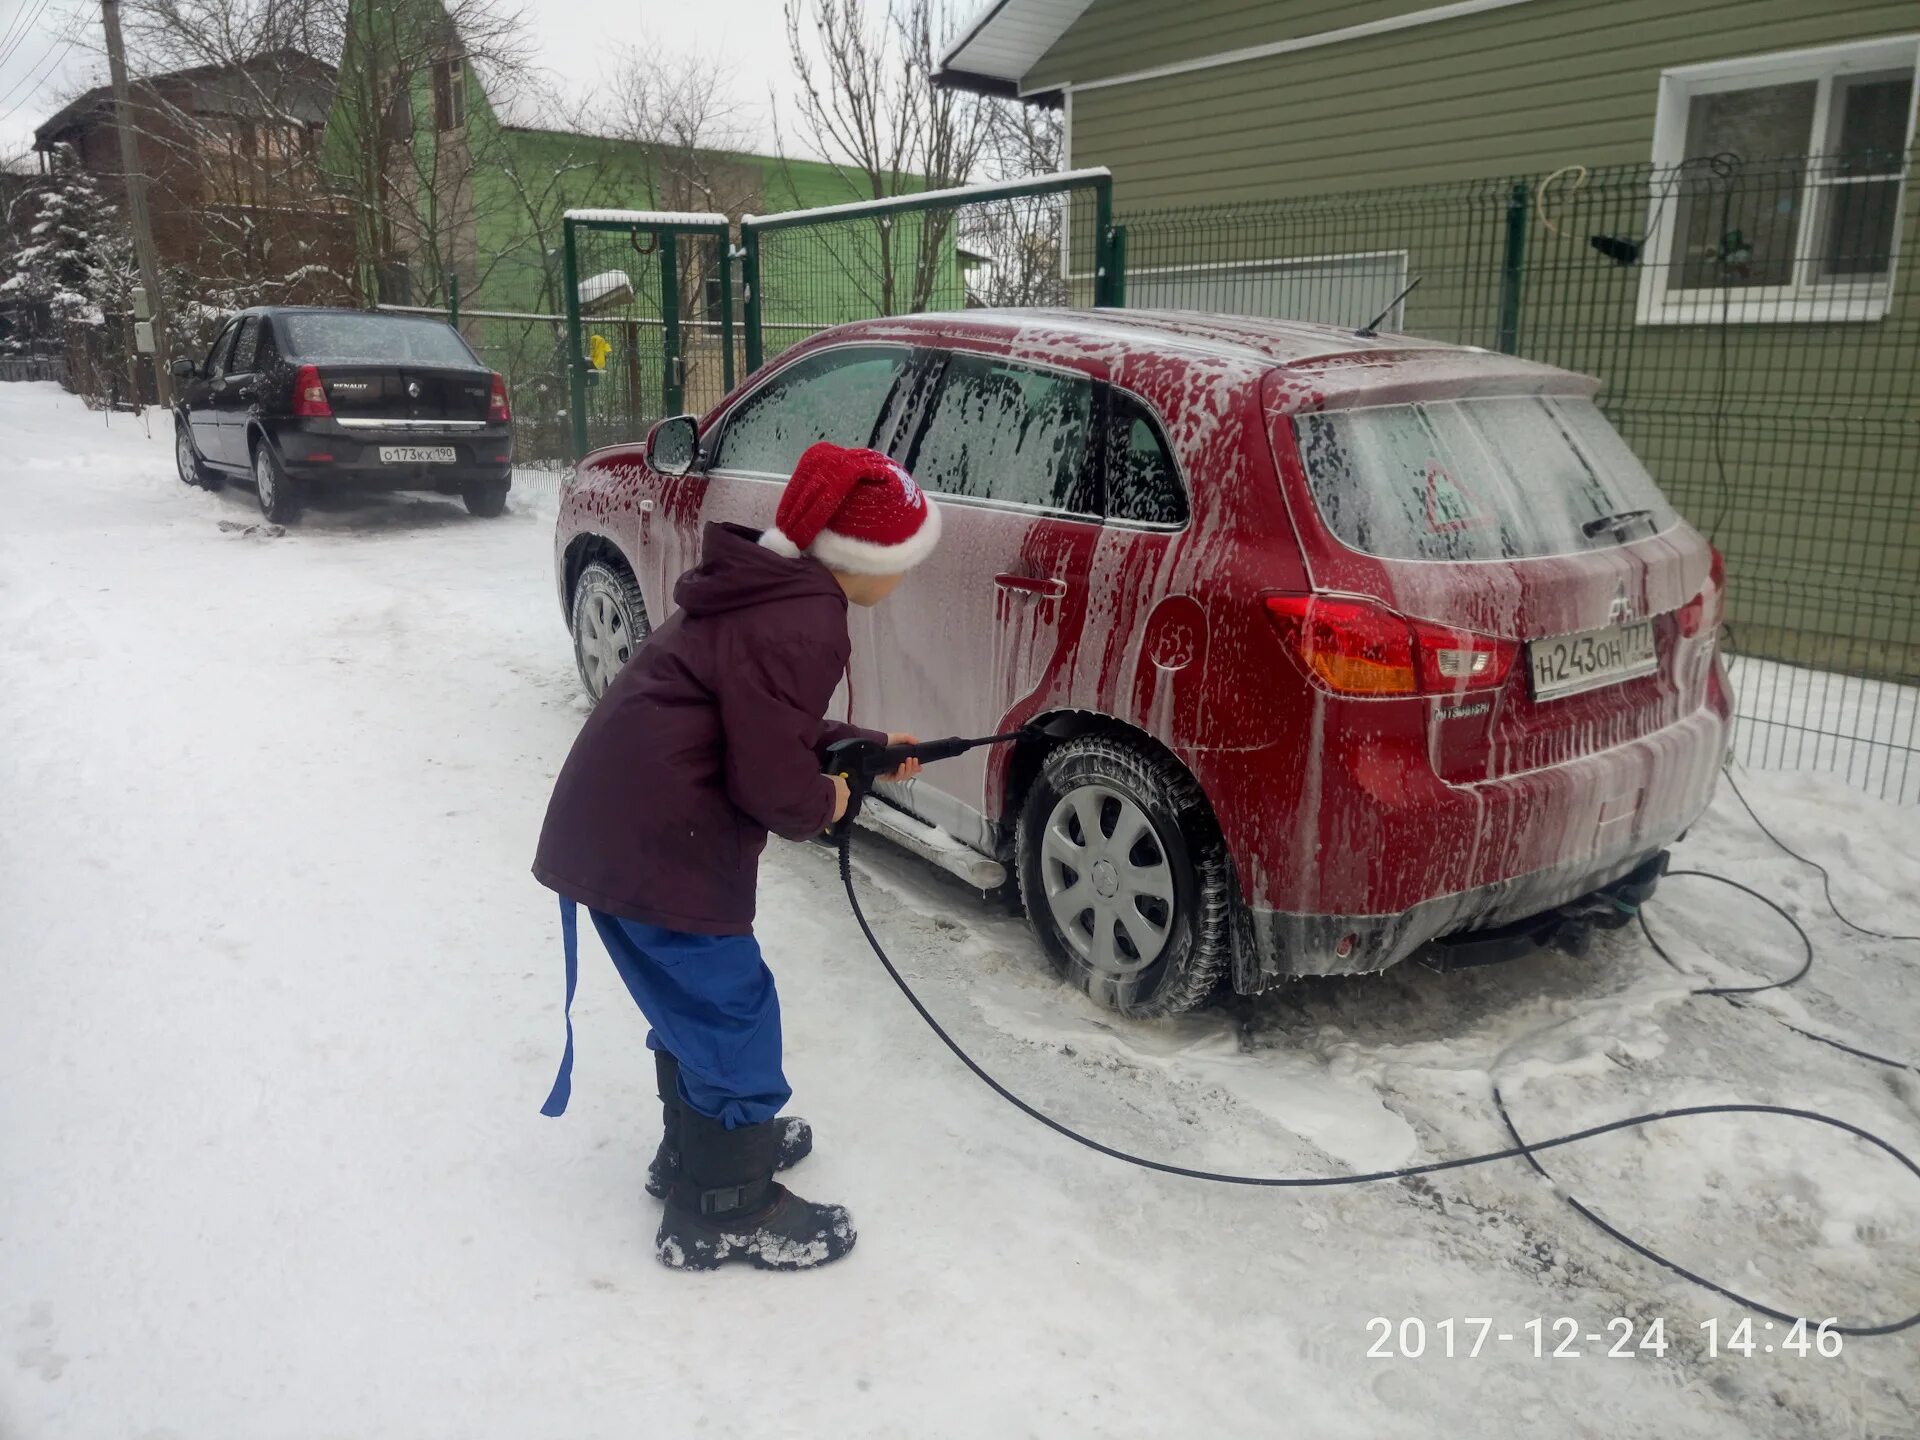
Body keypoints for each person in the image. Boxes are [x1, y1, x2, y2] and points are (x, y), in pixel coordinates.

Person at [532, 440, 941, 1272]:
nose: (904, 575)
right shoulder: (805, 622)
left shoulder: (766, 589)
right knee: (731, 1013)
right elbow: (770, 780)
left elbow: (749, 713)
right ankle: (724, 1207)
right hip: (656, 851)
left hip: (628, 833)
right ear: (863, 558)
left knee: (697, 1006)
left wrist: (854, 745)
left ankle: (702, 1147)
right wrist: (825, 798)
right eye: (904, 557)